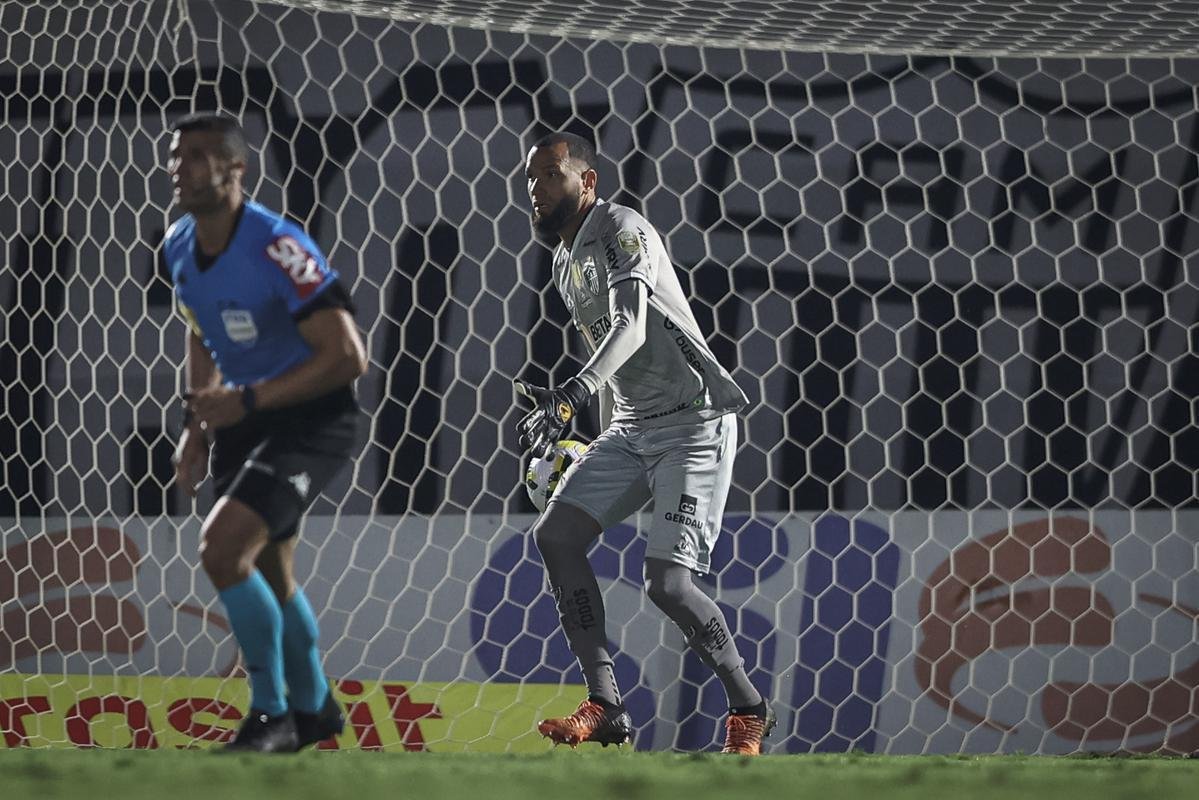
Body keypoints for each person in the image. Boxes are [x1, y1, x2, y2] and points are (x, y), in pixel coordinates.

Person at [515, 132, 776, 755]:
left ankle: (748, 708)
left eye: (551, 175)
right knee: (555, 535)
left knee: (668, 584)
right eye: (530, 179)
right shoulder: (563, 261)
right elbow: (613, 355)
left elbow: (631, 324)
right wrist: (594, 428)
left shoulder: (622, 229)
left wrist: (571, 393)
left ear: (588, 182)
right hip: (630, 429)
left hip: (694, 422)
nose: (536, 189)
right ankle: (605, 703)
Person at [165, 113, 367, 752]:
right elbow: (200, 329)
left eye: (198, 155)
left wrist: (247, 398)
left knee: (223, 550)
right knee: (274, 576)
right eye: (177, 155)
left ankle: (271, 712)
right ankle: (315, 710)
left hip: (312, 419)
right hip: (240, 421)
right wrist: (196, 428)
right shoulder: (176, 245)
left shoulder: (278, 246)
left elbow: (348, 356)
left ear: (236, 169)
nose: (181, 167)